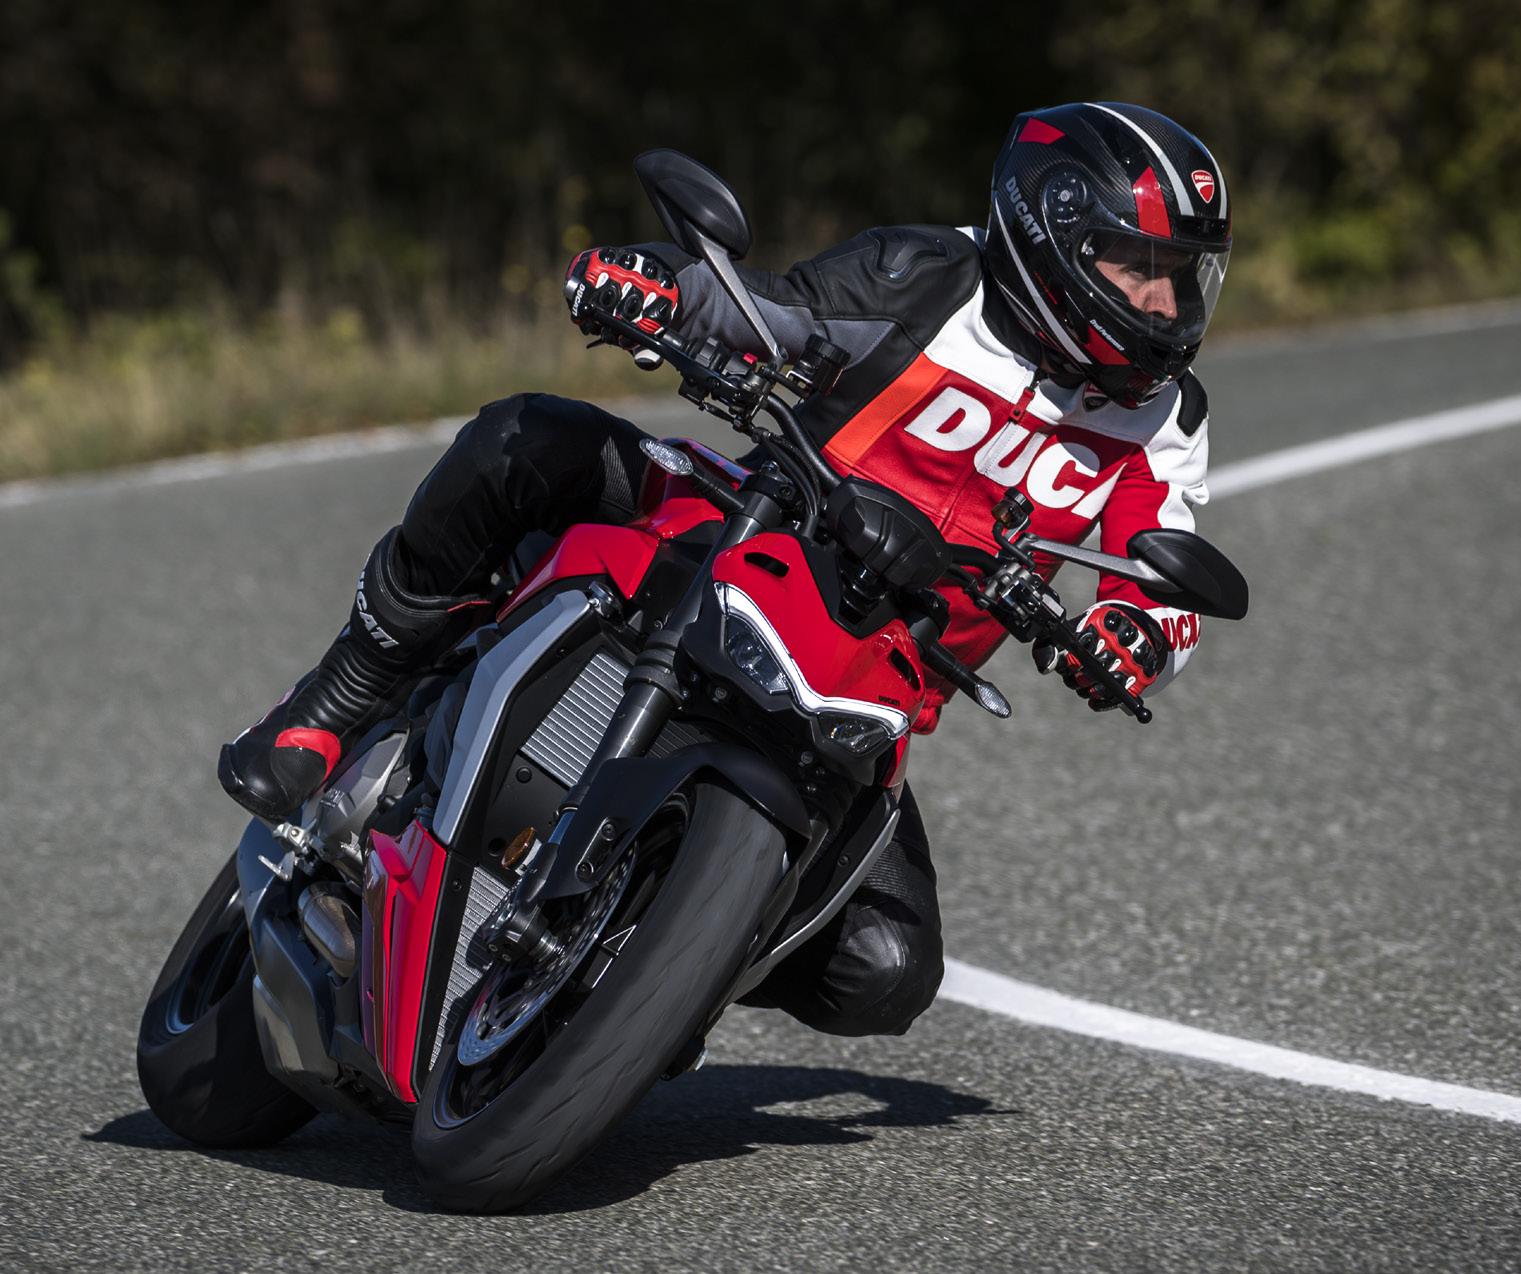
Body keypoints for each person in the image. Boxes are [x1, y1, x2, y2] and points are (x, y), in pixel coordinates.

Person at [219, 102, 1233, 1038]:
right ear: (1053, 234)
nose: (1163, 300)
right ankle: (338, 700)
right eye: (1135, 265)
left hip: (869, 691)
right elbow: (771, 311)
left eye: (1181, 274)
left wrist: (1135, 635)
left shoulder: (1164, 415)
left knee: (884, 971)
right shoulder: (928, 277)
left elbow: (1160, 567)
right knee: (523, 441)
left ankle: (647, 962)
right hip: (738, 538)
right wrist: (658, 283)